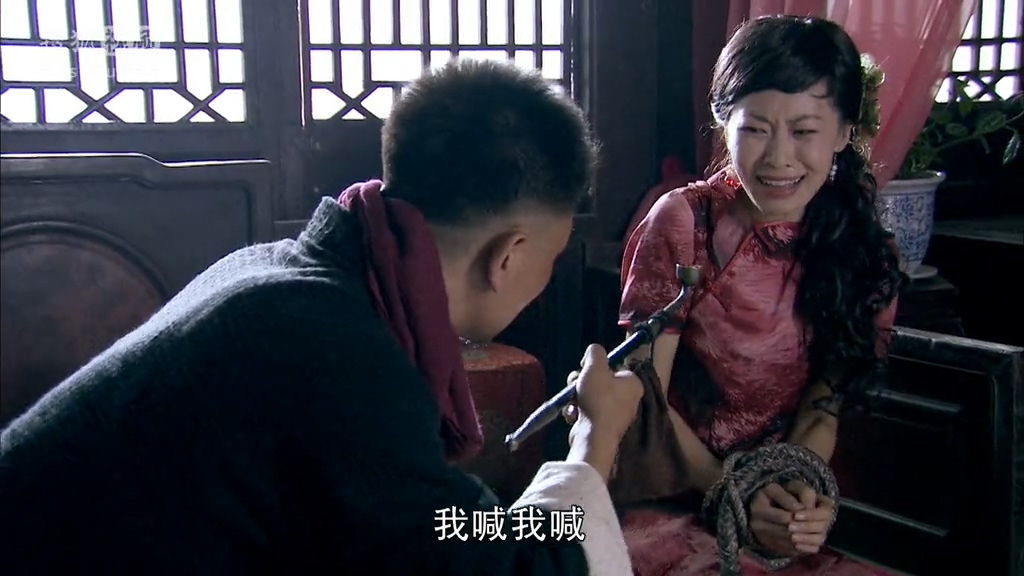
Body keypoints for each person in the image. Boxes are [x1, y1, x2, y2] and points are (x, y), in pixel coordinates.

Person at [0, 60, 643, 576]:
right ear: (510, 256)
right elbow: (497, 566)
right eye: (552, 258)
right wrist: (594, 442)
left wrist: (546, 498)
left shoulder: (292, 276)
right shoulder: (339, 356)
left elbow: (432, 521)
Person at [612, 15, 902, 576]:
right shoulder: (684, 222)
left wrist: (795, 500)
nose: (778, 157)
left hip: (774, 504)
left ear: (845, 132)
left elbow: (823, 406)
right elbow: (644, 395)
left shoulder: (866, 251)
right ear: (724, 123)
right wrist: (734, 493)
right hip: (667, 495)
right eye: (757, 129)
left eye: (805, 131)